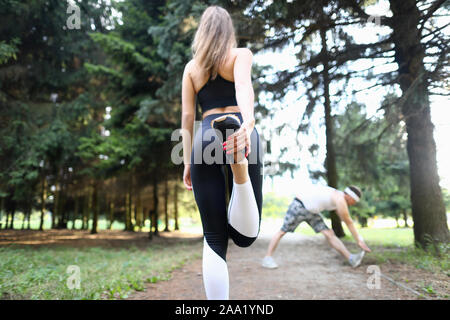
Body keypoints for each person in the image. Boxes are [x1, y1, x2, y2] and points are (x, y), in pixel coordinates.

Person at [181, 5, 263, 300]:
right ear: (228, 31)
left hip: (204, 136)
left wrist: (187, 161)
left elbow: (187, 118)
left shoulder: (191, 69)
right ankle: (238, 168)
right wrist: (248, 123)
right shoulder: (240, 55)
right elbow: (243, 87)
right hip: (239, 131)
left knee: (214, 237)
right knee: (246, 237)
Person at [262, 184, 371, 269]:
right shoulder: (340, 199)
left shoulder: (338, 198)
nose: (354, 203)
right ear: (350, 196)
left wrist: (358, 238)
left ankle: (351, 258)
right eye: (354, 201)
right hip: (299, 205)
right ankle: (267, 258)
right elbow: (348, 221)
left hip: (312, 212)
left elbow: (343, 218)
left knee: (329, 234)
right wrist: (359, 241)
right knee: (282, 231)